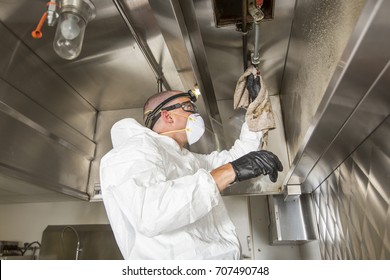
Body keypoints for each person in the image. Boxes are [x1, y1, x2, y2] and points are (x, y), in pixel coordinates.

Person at [100, 90, 283, 260]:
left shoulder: (188, 160)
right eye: (189, 107)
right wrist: (229, 171)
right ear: (168, 115)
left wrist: (256, 105)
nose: (196, 114)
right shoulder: (135, 149)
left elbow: (237, 159)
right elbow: (150, 213)